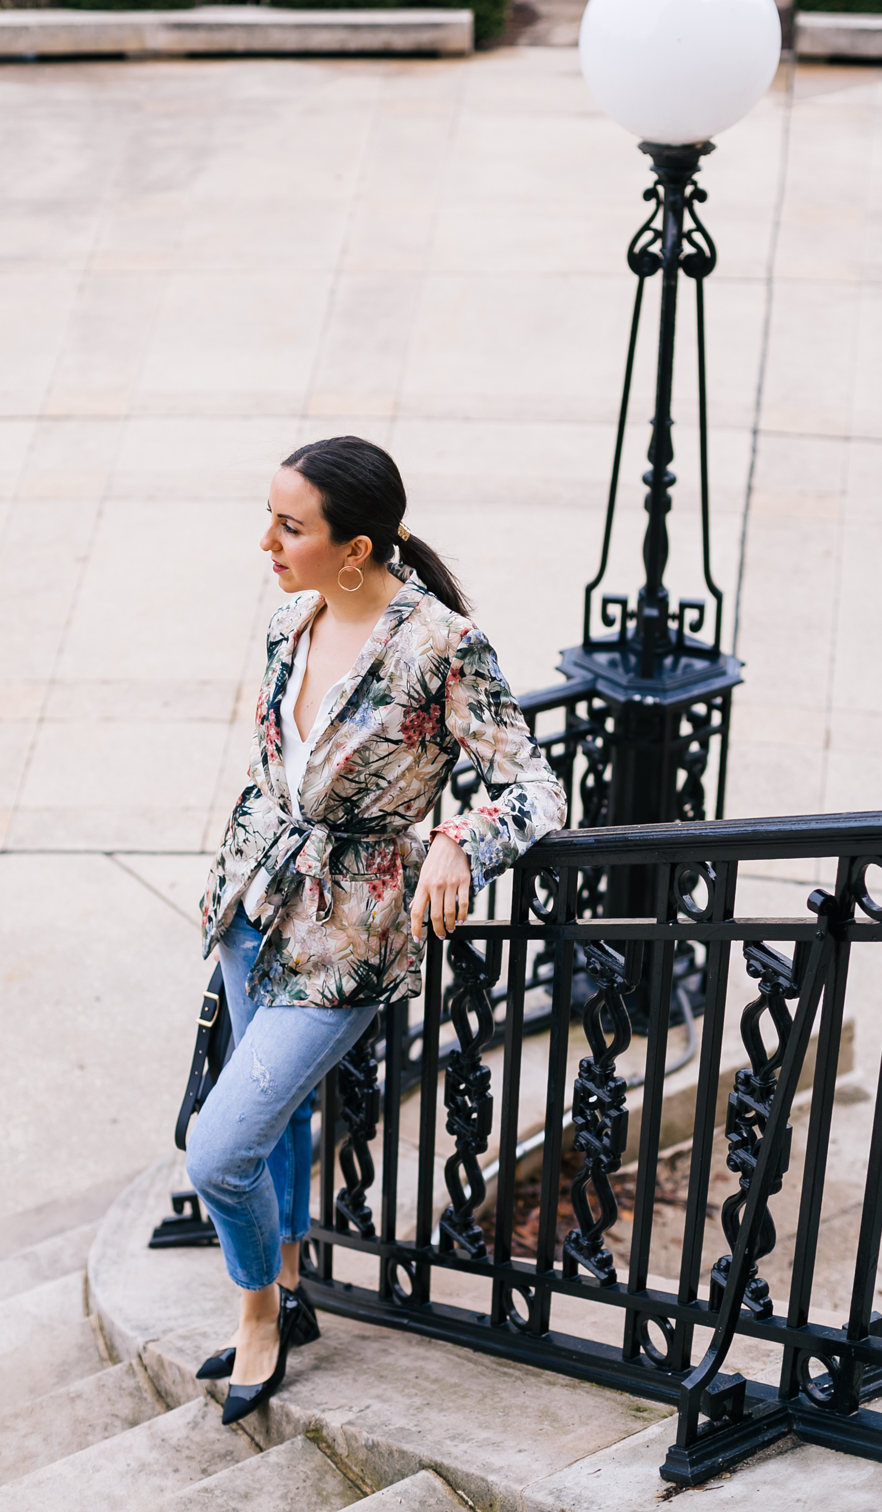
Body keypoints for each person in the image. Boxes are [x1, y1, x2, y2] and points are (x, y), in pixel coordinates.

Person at [186, 436, 566, 1424]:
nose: (265, 539)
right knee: (278, 1121)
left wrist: (458, 838)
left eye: (289, 525)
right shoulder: (289, 621)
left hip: (348, 934)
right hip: (253, 902)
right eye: (271, 516)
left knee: (218, 1152)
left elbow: (533, 786)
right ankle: (296, 1280)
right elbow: (278, 766)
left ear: (355, 547)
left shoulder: (438, 645)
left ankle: (259, 1311)